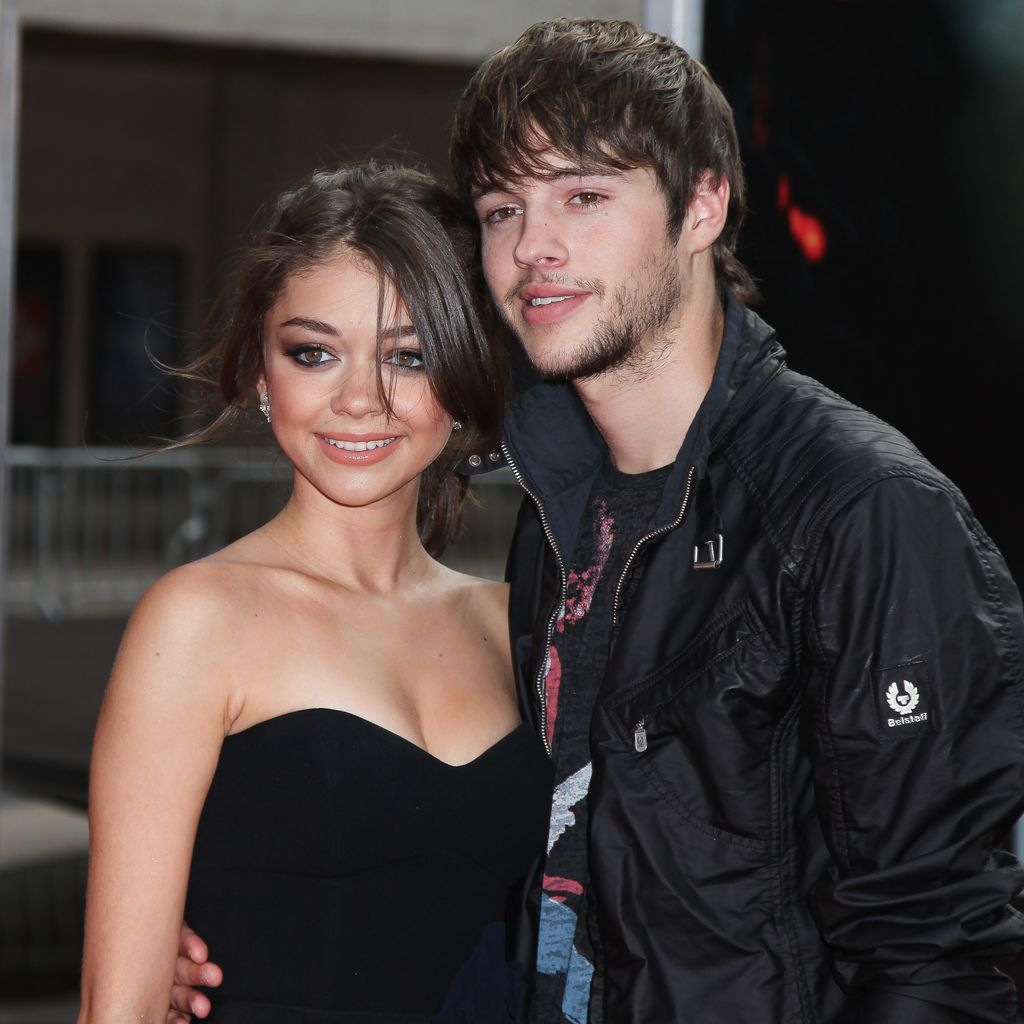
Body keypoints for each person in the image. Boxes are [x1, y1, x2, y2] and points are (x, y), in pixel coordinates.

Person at [169, 18, 1024, 1024]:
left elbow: (940, 956)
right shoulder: (554, 515)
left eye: (584, 195)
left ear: (701, 205)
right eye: (500, 208)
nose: (533, 245)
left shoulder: (856, 510)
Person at [78, 162, 553, 1024]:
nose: (360, 400)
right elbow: (119, 1009)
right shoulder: (196, 621)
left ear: (465, 382)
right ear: (262, 374)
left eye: (407, 357)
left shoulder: (514, 621)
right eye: (314, 352)